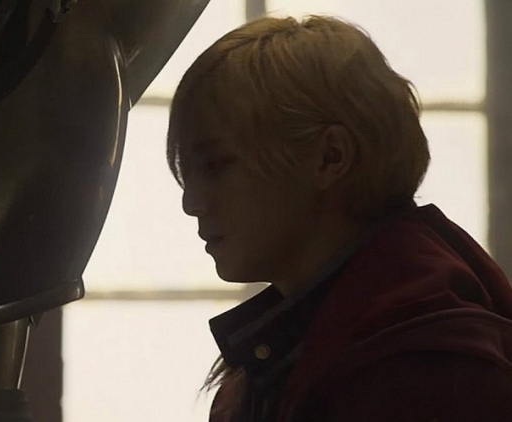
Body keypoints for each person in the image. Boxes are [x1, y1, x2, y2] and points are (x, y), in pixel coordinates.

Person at [167, 15, 512, 422]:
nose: (191, 203)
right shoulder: (305, 346)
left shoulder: (422, 371)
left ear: (330, 157)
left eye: (214, 166)